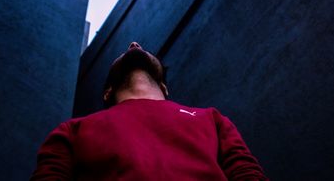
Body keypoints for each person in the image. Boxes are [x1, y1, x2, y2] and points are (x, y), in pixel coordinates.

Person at [31, 42, 268, 180]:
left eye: (138, 46)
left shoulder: (211, 118)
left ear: (164, 87)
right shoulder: (72, 130)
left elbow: (247, 175)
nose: (134, 44)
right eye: (127, 49)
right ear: (107, 92)